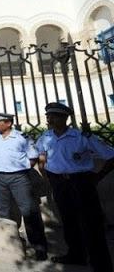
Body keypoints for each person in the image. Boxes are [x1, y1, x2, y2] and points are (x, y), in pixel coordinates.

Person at [35, 102, 114, 271]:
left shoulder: (81, 137)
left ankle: (101, 263)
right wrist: (46, 173)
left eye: (53, 116)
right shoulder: (46, 137)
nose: (49, 119)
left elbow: (110, 156)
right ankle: (76, 254)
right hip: (59, 183)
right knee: (68, 220)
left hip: (80, 182)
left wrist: (98, 176)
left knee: (91, 223)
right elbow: (41, 156)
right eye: (48, 116)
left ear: (64, 118)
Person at [0, 111, 48, 261]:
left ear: (8, 123)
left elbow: (33, 156)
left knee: (29, 210)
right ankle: (6, 241)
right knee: (2, 209)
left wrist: (24, 169)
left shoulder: (21, 138)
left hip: (19, 177)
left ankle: (38, 246)